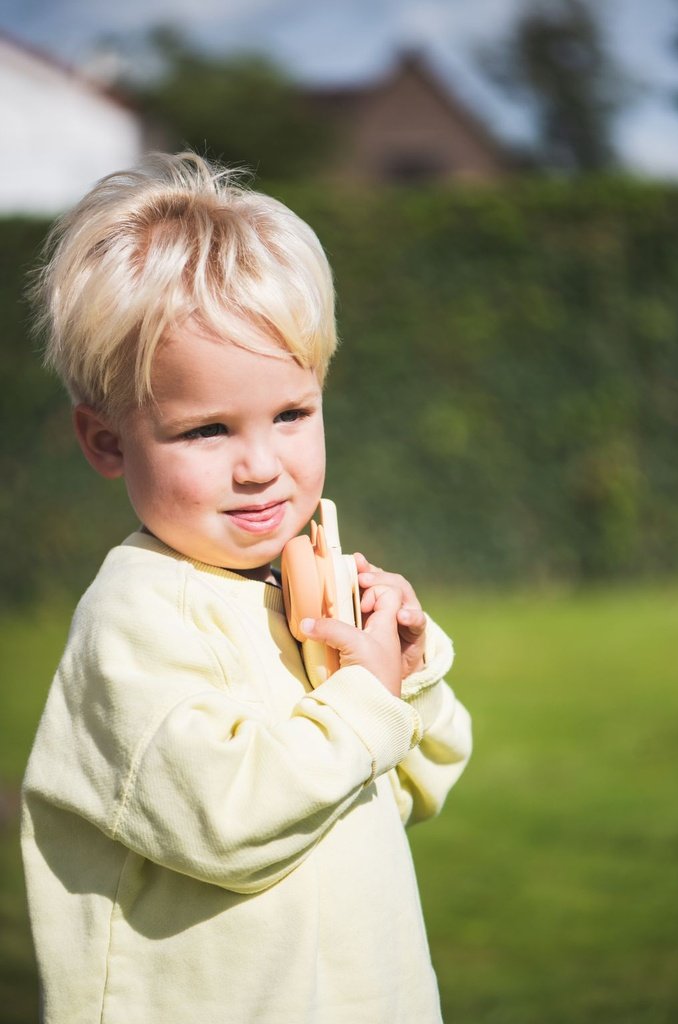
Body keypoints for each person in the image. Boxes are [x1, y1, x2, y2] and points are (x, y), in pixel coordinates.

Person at [21, 152, 472, 1024]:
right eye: (206, 430)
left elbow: (419, 781)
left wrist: (407, 671)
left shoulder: (301, 578)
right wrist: (363, 700)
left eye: (292, 414)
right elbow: (226, 823)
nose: (262, 467)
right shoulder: (133, 624)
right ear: (108, 442)